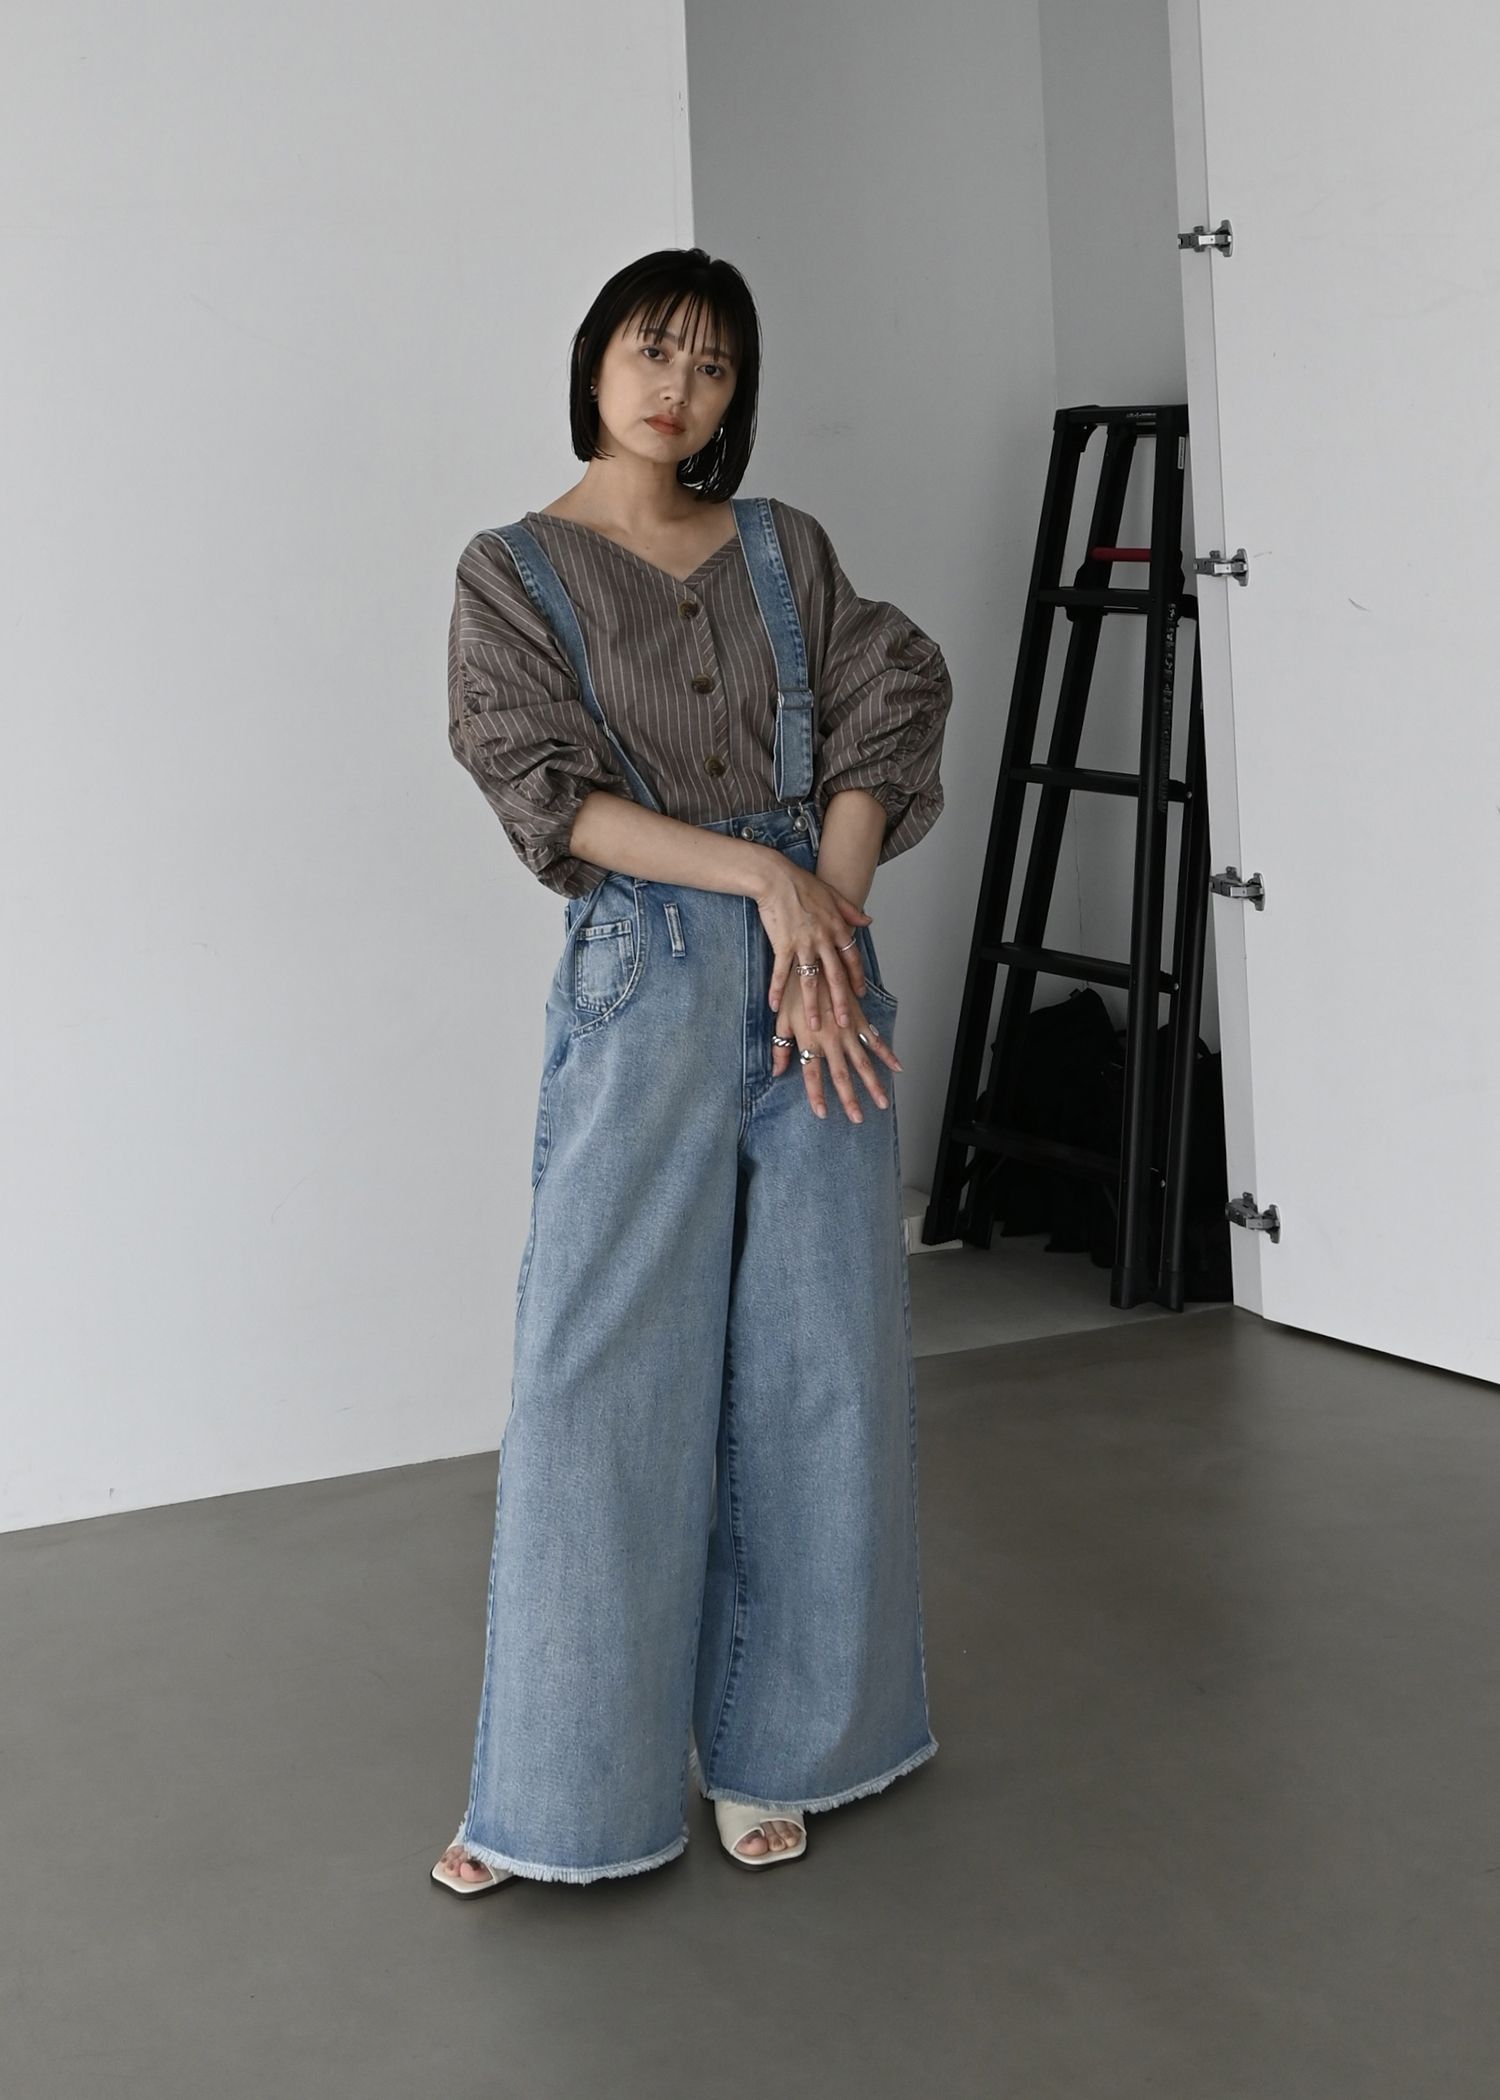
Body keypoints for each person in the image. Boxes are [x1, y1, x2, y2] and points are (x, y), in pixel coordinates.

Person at [433, 247, 953, 1894]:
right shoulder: (513, 572)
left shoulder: (783, 547)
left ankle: (789, 1748)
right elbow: (546, 794)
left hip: (821, 985)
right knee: (601, 1380)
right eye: (654, 351)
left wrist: (826, 917)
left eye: (714, 366)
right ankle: (556, 1795)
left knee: (821, 1363)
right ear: (595, 360)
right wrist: (764, 882)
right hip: (649, 972)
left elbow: (890, 702)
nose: (679, 388)